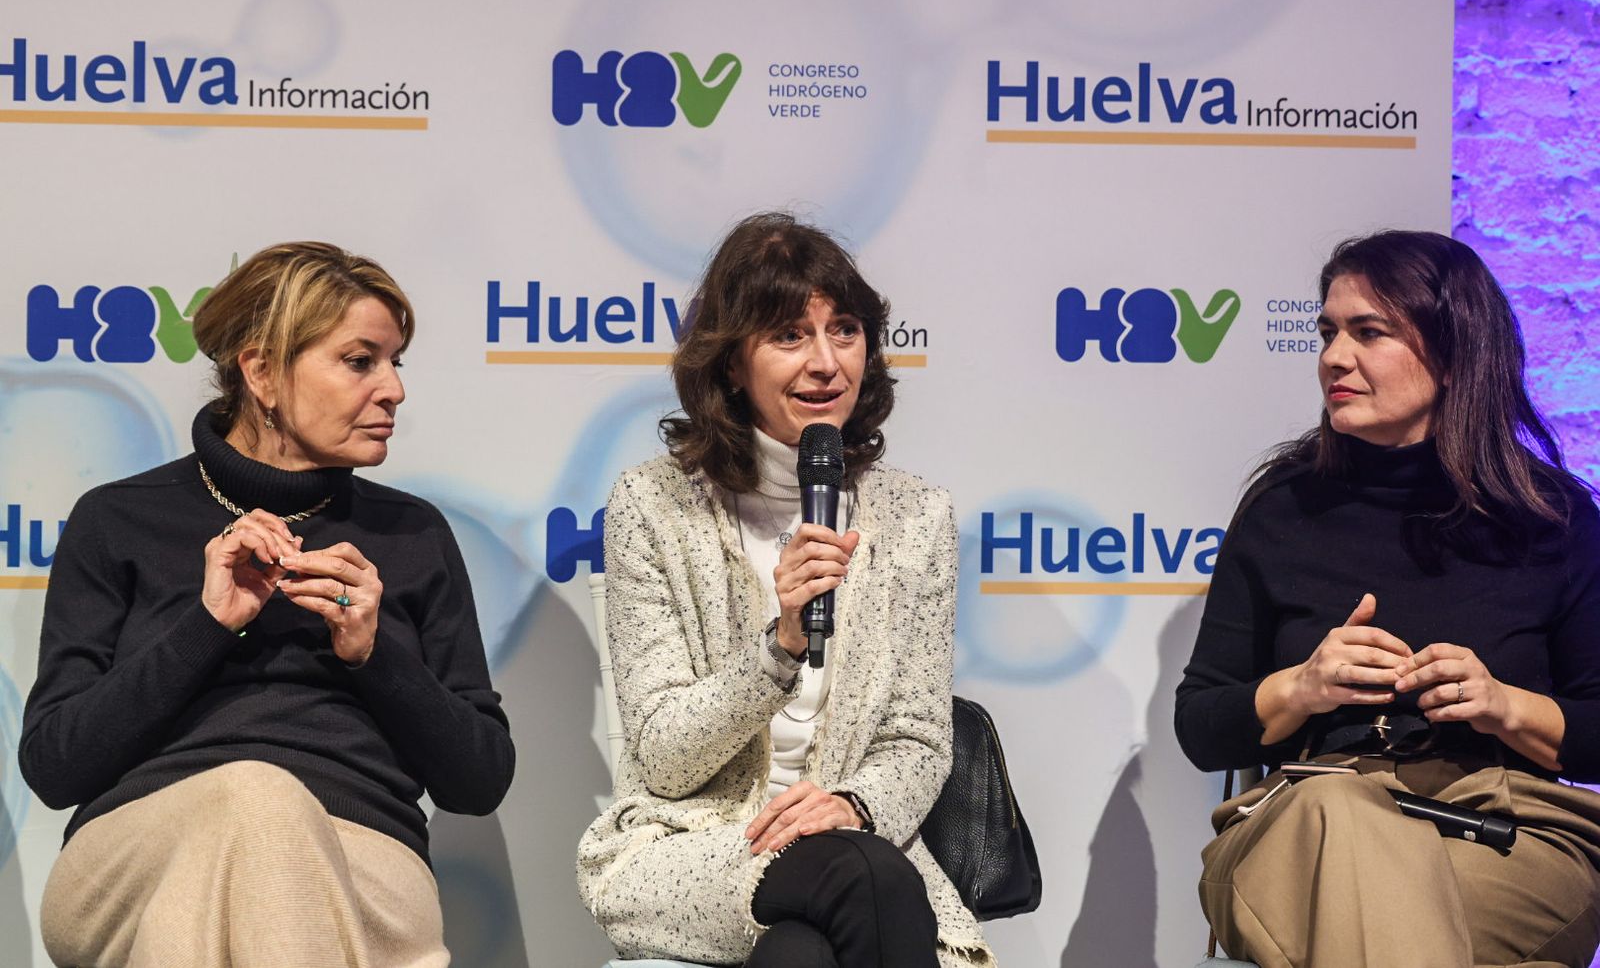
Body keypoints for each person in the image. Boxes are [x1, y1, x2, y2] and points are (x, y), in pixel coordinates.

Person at [19, 242, 515, 968]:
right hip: (134, 856)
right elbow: (56, 764)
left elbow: (479, 780)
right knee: (255, 799)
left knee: (251, 839)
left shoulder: (411, 535)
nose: (394, 391)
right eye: (360, 360)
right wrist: (208, 624)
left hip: (362, 863)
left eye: (395, 362)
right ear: (261, 372)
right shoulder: (118, 519)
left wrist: (374, 654)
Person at [576, 212, 994, 968]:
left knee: (804, 949)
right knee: (860, 878)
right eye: (789, 336)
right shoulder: (654, 506)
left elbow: (917, 736)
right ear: (732, 364)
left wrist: (852, 805)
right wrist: (780, 645)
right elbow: (665, 759)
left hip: (861, 843)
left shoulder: (916, 517)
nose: (827, 362)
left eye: (844, 330)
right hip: (697, 848)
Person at [1175, 230, 1600, 968]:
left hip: (1510, 829)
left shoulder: (1552, 518)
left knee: (1356, 912)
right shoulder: (1281, 510)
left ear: (1455, 348)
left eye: (1369, 332)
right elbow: (1201, 726)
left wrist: (1505, 704)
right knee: (1339, 817)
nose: (1335, 356)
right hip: (1305, 818)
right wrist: (1302, 687)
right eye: (1329, 331)